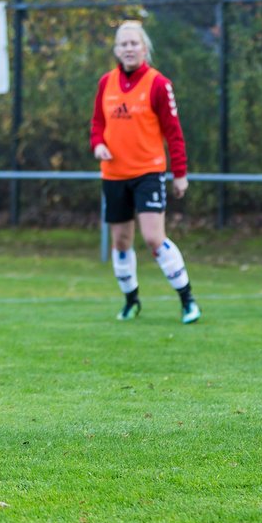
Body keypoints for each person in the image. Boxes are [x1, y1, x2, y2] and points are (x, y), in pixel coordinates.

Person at [90, 20, 201, 325]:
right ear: (116, 49)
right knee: (122, 241)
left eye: (133, 43)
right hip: (113, 174)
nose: (128, 48)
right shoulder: (106, 83)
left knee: (154, 238)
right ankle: (131, 301)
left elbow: (174, 133)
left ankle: (187, 299)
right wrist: (98, 144)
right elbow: (97, 124)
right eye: (123, 44)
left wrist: (180, 174)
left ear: (144, 48)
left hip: (148, 173)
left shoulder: (158, 84)